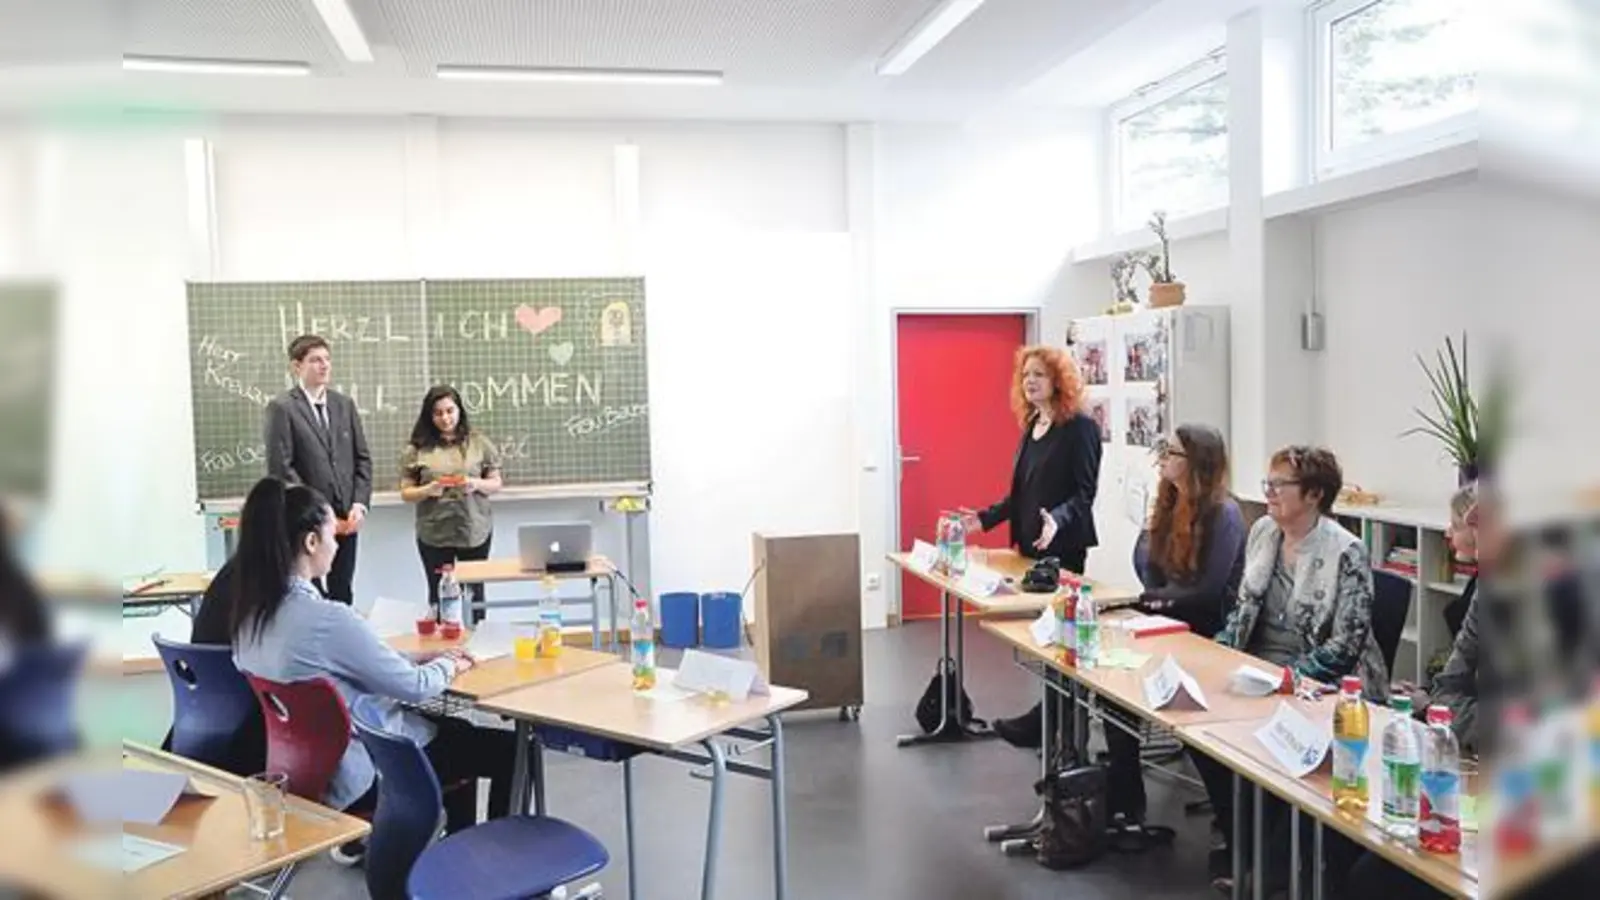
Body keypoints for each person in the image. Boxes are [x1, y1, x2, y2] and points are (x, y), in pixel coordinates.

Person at [228, 477, 516, 864]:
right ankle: (503, 863)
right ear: (311, 542)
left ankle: (453, 856)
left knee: (457, 736)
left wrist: (410, 663)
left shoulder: (250, 615)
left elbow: (331, 672)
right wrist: (452, 659)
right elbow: (414, 689)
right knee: (509, 750)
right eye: (333, 533)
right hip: (364, 772)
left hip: (298, 768)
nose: (337, 543)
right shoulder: (327, 618)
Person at [1192, 444, 1389, 893]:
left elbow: (1346, 644)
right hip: (1261, 672)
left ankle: (1272, 871)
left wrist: (1289, 679)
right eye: (1268, 483)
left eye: (1280, 485)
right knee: (1199, 734)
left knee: (1273, 749)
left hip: (1326, 684)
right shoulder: (1262, 531)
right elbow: (1242, 613)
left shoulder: (1347, 551)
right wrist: (1215, 657)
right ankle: (1248, 845)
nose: (1270, 493)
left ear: (1315, 494)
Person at [1099, 424, 1247, 834]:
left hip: (1207, 632)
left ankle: (1234, 818)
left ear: (1196, 463)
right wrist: (1150, 560)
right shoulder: (1169, 503)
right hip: (1169, 623)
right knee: (1112, 687)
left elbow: (1207, 590)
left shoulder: (1225, 513)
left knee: (1184, 712)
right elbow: (1148, 572)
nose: (1163, 458)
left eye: (1173, 453)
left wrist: (1152, 602)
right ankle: (1126, 800)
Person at [958, 344, 1101, 748]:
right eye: (1025, 375)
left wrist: (1058, 518)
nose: (1030, 381)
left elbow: (1085, 494)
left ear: (1059, 380)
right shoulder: (1033, 426)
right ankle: (1050, 722)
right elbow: (1019, 496)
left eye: (1039, 374)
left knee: (1062, 645)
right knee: (1046, 640)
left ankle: (1055, 727)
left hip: (1064, 549)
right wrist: (983, 519)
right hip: (1029, 549)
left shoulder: (1081, 429)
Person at [263, 334, 372, 606]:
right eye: (315, 360)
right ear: (296, 366)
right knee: (310, 591)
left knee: (343, 589)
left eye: (326, 359)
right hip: (308, 519)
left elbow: (362, 458)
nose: (324, 366)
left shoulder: (343, 405)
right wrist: (318, 511)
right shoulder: (283, 408)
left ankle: (342, 647)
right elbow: (281, 467)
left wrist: (359, 503)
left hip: (347, 518)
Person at [400, 386, 503, 624]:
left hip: (473, 529)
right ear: (429, 415)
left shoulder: (479, 443)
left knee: (474, 595)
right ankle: (442, 653)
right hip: (435, 532)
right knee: (439, 596)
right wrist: (428, 490)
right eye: (438, 413)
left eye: (450, 411)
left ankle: (477, 645)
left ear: (459, 411)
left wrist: (475, 484)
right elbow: (406, 492)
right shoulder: (416, 449)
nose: (445, 418)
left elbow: (496, 483)